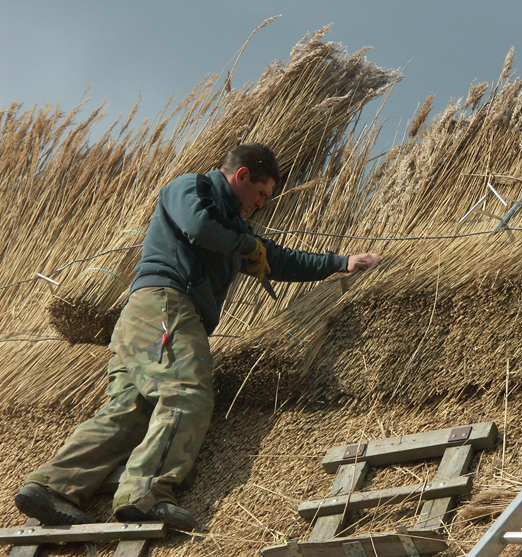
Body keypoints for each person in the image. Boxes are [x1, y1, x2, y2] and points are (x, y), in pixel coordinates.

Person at [14, 143, 380, 531]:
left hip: (144, 321)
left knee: (129, 411)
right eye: (260, 194)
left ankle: (52, 488)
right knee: (187, 393)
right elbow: (200, 227)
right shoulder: (190, 188)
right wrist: (247, 246)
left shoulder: (233, 226)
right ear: (241, 176)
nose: (260, 204)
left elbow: (273, 258)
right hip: (165, 306)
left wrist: (340, 263)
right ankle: (146, 493)